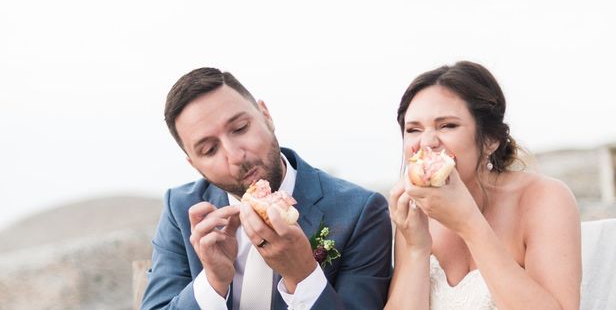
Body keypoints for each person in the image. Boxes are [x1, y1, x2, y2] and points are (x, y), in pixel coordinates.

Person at [141, 67, 392, 310]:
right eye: (209, 150)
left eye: (240, 128)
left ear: (266, 116)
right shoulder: (182, 209)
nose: (236, 155)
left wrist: (303, 276)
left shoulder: (360, 211)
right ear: (195, 165)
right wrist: (212, 282)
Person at [385, 61, 581, 310]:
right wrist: (416, 248)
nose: (427, 142)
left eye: (447, 126)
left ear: (491, 140)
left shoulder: (544, 198)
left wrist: (469, 224)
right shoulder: (414, 210)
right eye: (413, 129)